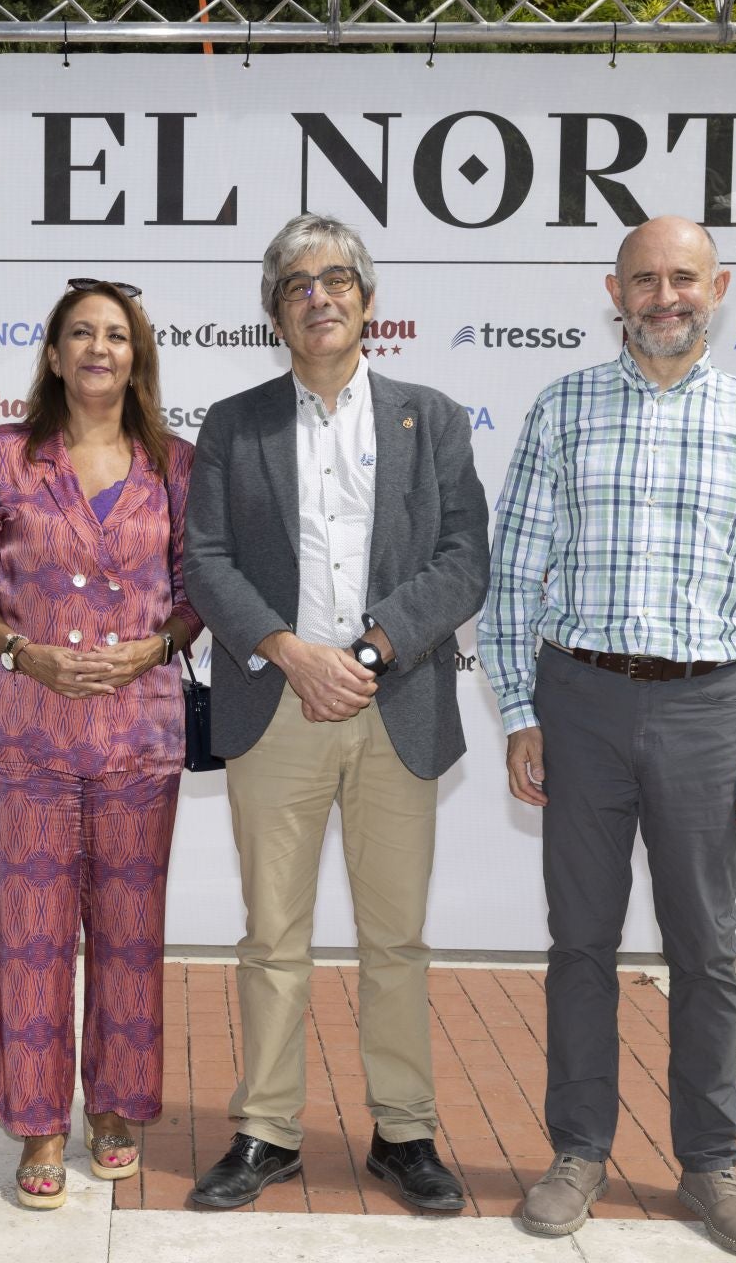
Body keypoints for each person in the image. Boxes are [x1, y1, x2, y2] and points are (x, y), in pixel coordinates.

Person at [479, 216, 736, 1258]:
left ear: (717, 287)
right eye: (644, 279)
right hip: (578, 701)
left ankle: (711, 1163)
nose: (664, 296)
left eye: (683, 277)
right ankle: (577, 1152)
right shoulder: (563, 407)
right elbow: (513, 577)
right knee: (580, 942)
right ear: (614, 291)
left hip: (706, 709)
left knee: (705, 949)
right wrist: (519, 710)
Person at [183, 214, 489, 1211]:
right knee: (273, 935)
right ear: (275, 313)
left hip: (393, 702)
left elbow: (463, 561)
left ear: (368, 299)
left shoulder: (431, 418)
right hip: (277, 705)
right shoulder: (234, 424)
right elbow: (205, 560)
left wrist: (364, 653)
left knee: (396, 938)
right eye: (297, 285)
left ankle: (404, 1130)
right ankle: (267, 1130)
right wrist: (289, 652)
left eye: (336, 280)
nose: (319, 297)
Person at [0, 280, 202, 1209]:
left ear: (138, 356)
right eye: (81, 334)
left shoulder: (176, 463)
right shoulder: (6, 454)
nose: (99, 348)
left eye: (116, 335)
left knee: (130, 935)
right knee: (29, 938)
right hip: (26, 738)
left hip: (139, 739)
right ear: (54, 355)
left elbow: (198, 589)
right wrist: (23, 651)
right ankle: (40, 1123)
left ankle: (116, 1110)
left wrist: (156, 646)